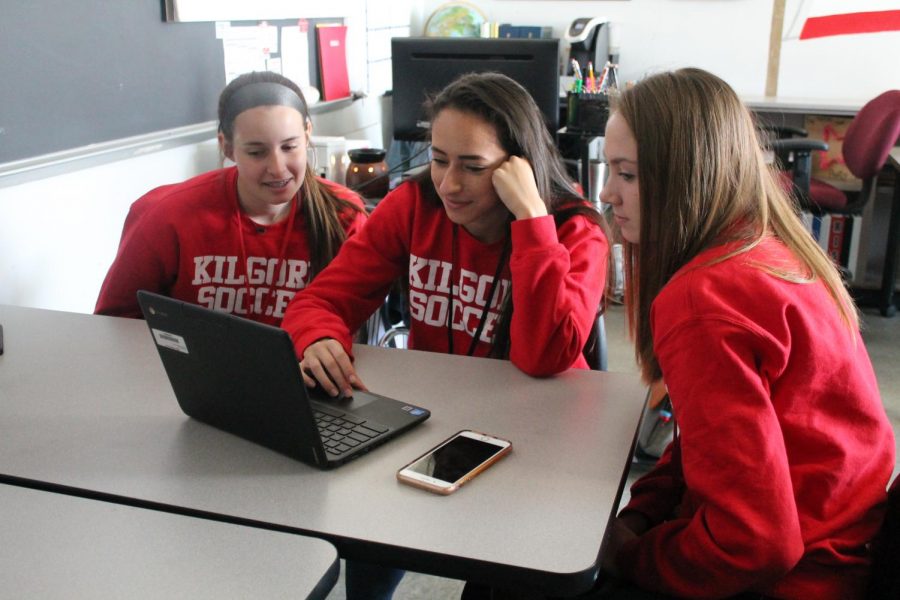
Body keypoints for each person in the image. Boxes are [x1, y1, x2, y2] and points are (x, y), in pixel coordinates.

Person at [281, 72, 610, 597]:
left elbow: (545, 356)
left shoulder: (573, 232)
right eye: (438, 159)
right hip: (436, 421)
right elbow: (321, 300)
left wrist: (531, 220)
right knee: (370, 536)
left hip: (540, 442)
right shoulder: (413, 207)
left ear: (518, 169)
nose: (449, 184)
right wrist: (317, 336)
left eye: (473, 166)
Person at [594, 68, 895, 599]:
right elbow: (707, 445)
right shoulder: (766, 248)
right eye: (609, 170)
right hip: (843, 537)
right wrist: (641, 515)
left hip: (797, 577)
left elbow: (753, 545)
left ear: (687, 176)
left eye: (628, 175)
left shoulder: (703, 302)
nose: (606, 192)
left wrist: (631, 555)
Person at [95, 71, 366, 325]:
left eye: (289, 147)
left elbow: (355, 323)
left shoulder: (344, 215)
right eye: (256, 152)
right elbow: (116, 322)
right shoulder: (165, 215)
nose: (278, 167)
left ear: (307, 134)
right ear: (227, 146)